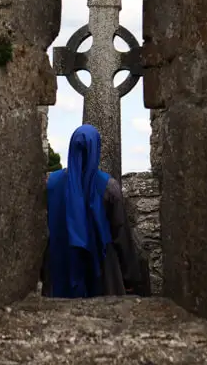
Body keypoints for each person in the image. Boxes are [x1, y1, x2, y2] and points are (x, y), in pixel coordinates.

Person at [40, 124, 151, 298]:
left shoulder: (52, 183)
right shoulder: (108, 187)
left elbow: (43, 230)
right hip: (101, 269)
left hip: (60, 264)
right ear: (95, 149)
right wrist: (131, 278)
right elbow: (120, 233)